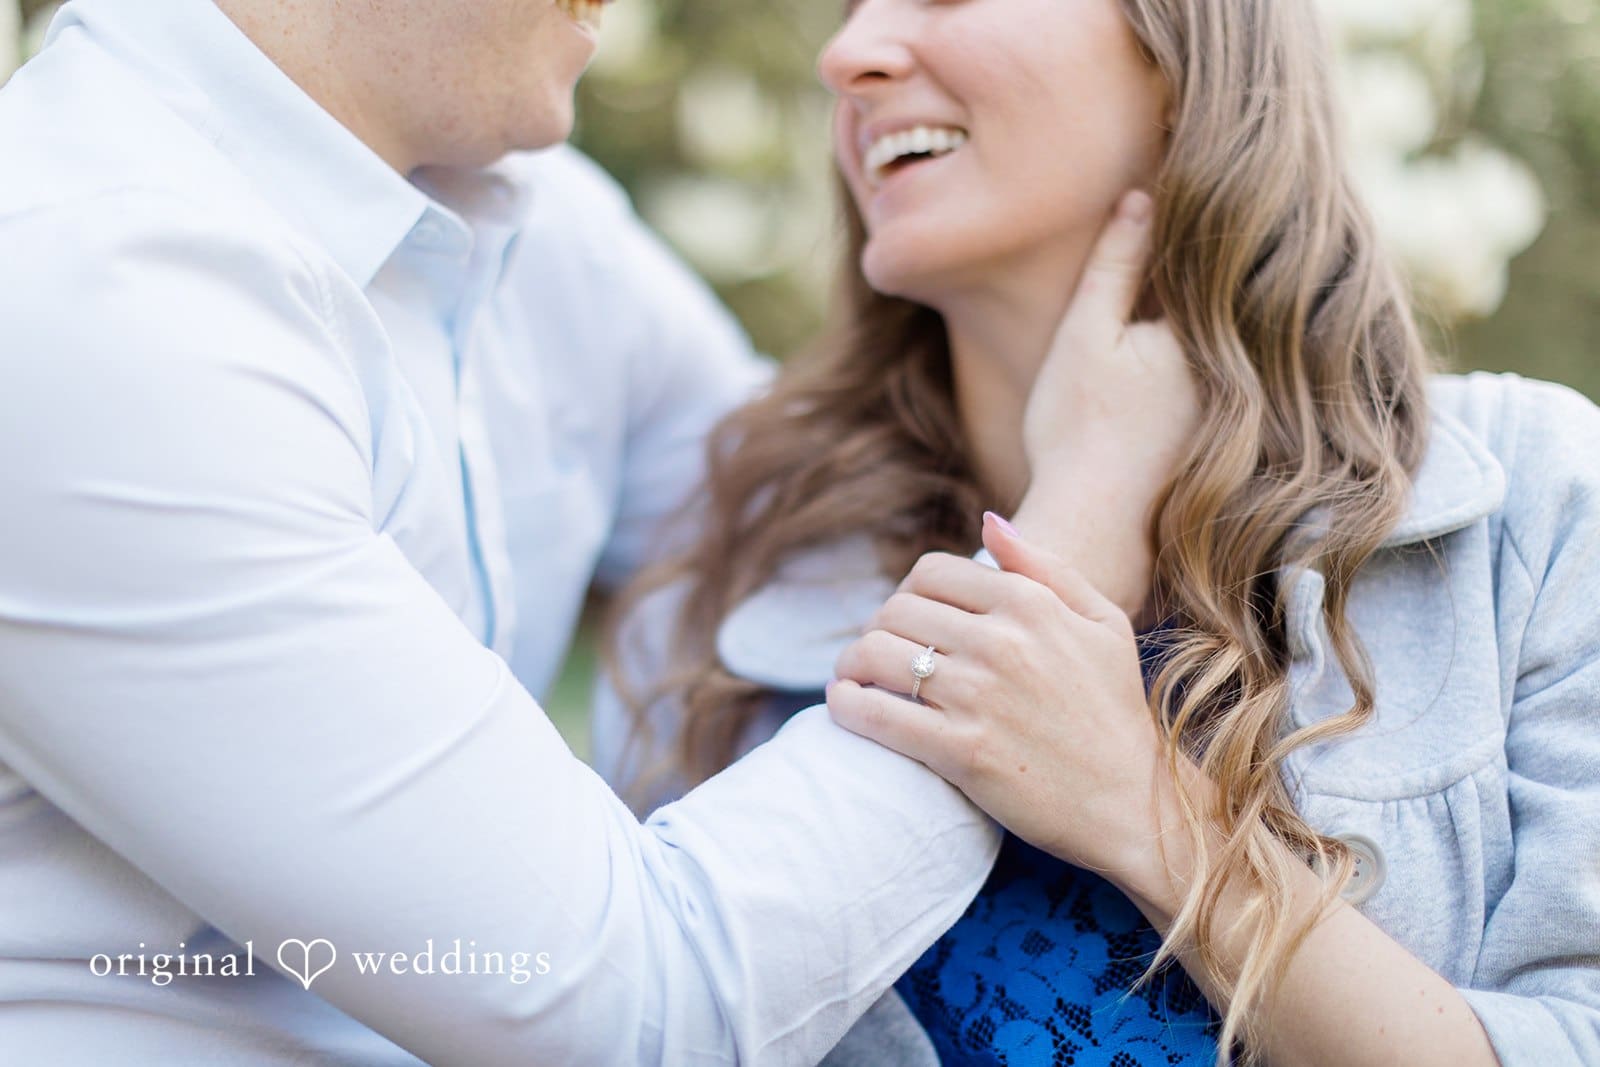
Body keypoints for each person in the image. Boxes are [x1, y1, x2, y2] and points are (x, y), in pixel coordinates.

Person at [0, 0, 1198, 1060]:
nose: (843, 50)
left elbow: (787, 506)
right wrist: (1077, 523)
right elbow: (624, 1008)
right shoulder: (95, 297)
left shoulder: (521, 216)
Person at [594, 0, 1600, 1064]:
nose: (847, 54)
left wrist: (1140, 802)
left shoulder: (1534, 499)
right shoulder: (730, 585)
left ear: (1183, 47)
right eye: (847, 8)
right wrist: (1085, 494)